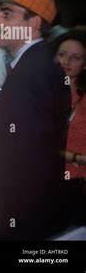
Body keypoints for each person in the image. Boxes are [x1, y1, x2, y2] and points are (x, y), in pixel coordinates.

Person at [0, 0, 71, 240]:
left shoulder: (35, 70)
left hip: (15, 207)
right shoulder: (33, 62)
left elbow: (28, 154)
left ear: (34, 23)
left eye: (7, 14)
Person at [54, 30, 86, 225]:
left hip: (79, 183)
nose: (66, 62)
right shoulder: (42, 93)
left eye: (75, 58)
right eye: (61, 54)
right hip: (48, 177)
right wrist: (74, 158)